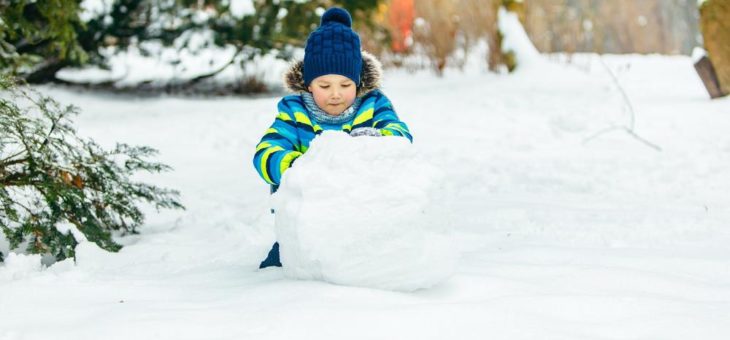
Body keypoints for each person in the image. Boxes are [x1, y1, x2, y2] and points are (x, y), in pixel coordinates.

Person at [253, 7, 412, 268]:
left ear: (358, 83)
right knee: (279, 271)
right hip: (304, 218)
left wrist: (372, 142)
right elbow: (266, 152)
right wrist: (301, 168)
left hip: (360, 212)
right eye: (324, 86)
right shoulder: (294, 112)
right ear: (308, 84)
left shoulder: (373, 105)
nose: (335, 94)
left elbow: (401, 138)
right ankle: (288, 254)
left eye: (345, 85)